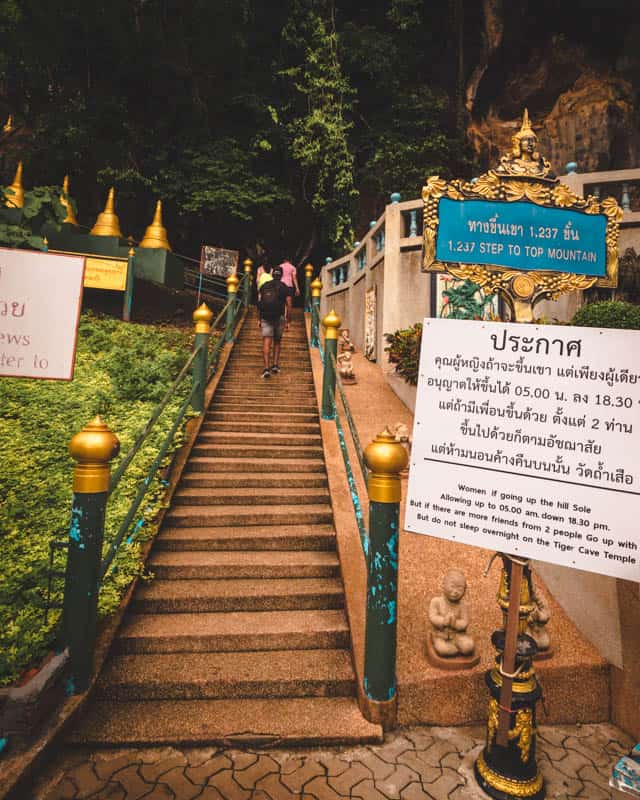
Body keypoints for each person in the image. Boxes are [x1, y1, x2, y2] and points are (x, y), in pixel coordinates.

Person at [257, 265, 288, 378]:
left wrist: (259, 319)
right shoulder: (284, 286)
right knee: (277, 341)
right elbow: (288, 303)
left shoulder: (264, 286)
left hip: (265, 316)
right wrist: (288, 319)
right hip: (279, 316)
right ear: (281, 275)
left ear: (272, 274)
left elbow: (259, 302)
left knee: (266, 341)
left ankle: (266, 368)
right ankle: (275, 365)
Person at [278, 259, 300, 325]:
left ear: (284, 260)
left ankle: (280, 320)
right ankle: (288, 321)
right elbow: (294, 278)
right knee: (289, 304)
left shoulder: (280, 266)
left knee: (280, 303)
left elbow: (278, 276)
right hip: (289, 286)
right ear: (290, 261)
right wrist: (297, 288)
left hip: (281, 285)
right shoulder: (293, 267)